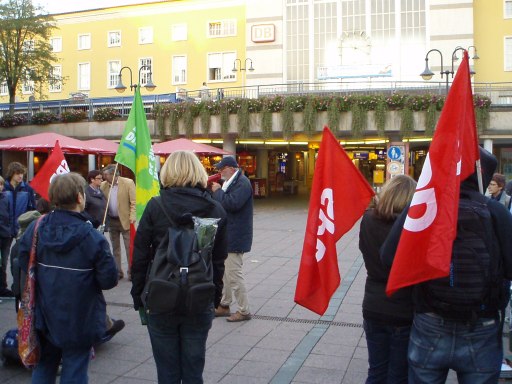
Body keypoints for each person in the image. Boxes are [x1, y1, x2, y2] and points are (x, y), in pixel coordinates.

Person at [381, 147, 512, 383]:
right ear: (483, 175)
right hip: (482, 323)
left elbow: (389, 257)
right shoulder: (495, 211)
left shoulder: (424, 206)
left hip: (430, 319)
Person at [131, 150, 227, 383]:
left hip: (161, 294)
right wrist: (214, 297)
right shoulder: (215, 209)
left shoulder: (156, 206)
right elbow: (218, 259)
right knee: (194, 370)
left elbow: (140, 255)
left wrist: (139, 296)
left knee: (167, 371)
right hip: (199, 295)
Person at [17, 172, 118, 383]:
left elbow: (23, 259)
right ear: (80, 197)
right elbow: (109, 279)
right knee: (75, 369)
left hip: (44, 313)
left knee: (44, 366)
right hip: (80, 316)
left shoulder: (37, 228)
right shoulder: (93, 237)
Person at [359, 175, 416, 384]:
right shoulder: (412, 227)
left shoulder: (368, 220)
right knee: (399, 374)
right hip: (403, 308)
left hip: (373, 305)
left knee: (376, 370)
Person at [211, 156, 253, 322]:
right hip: (229, 235)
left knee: (234, 275)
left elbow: (232, 204)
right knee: (226, 275)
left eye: (223, 168)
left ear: (232, 169)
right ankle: (224, 304)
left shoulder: (242, 183)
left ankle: (244, 310)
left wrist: (218, 191)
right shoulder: (234, 182)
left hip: (235, 236)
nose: (220, 171)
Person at [2, 162, 36, 297]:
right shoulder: (4, 188)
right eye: (17, 173)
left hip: (21, 228)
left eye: (22, 173)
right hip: (5, 227)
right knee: (3, 259)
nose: (20, 176)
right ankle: (2, 286)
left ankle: (17, 284)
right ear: (12, 174)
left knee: (19, 257)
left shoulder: (27, 189)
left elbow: (32, 209)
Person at [101, 164, 136, 280]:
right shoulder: (103, 185)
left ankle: (131, 272)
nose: (103, 177)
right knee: (115, 248)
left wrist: (132, 216)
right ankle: (118, 272)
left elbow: (133, 202)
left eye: (106, 174)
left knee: (128, 247)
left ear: (113, 174)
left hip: (125, 220)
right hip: (112, 220)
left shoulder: (128, 183)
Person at [0, 176, 12, 298]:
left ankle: (2, 287)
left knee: (3, 262)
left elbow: (10, 215)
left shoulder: (6, 198)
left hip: (5, 234)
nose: (0, 187)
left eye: (1, 184)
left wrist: (11, 230)